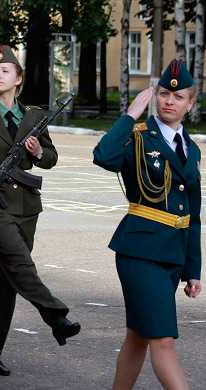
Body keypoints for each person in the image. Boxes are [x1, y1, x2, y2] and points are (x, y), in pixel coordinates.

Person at [0, 45, 80, 376]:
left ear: (18, 79)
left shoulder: (35, 117)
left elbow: (51, 159)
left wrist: (38, 152)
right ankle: (57, 317)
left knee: (10, 278)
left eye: (4, 71)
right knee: (21, 264)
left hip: (27, 206)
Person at [93, 59, 201, 390]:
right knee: (163, 341)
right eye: (164, 95)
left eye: (179, 97)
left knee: (138, 337)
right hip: (140, 252)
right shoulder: (139, 137)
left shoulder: (191, 149)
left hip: (171, 256)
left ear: (190, 103)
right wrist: (129, 115)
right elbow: (104, 156)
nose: (170, 101)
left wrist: (193, 269)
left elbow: (192, 214)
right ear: (156, 97)